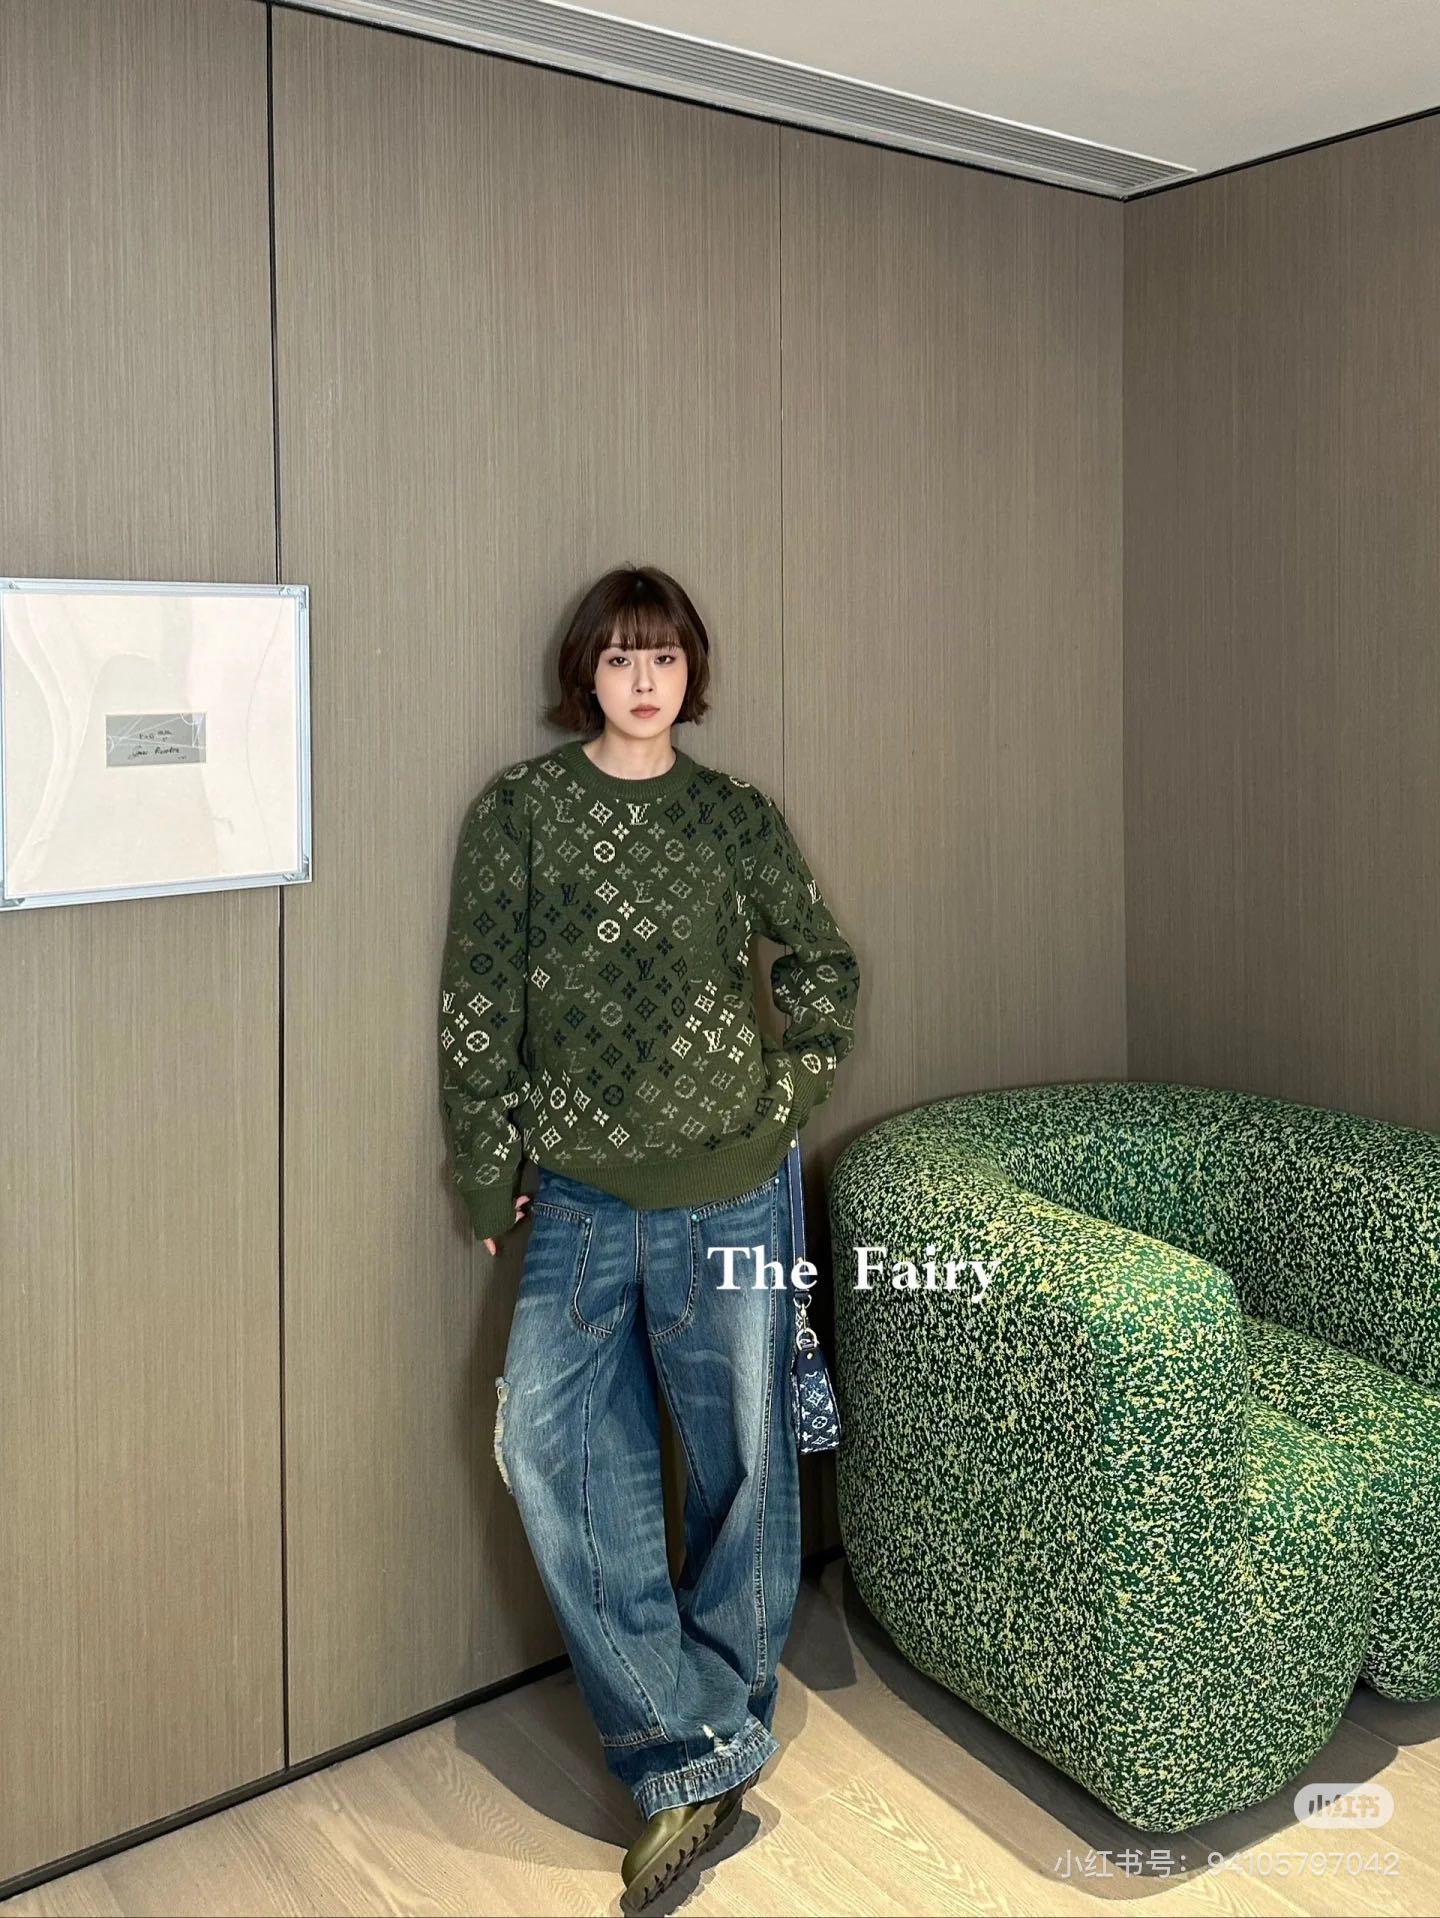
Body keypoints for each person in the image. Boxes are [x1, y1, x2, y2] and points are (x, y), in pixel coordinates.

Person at [437, 563, 860, 1907]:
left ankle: (703, 1754)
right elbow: (476, 1002)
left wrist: (781, 1099)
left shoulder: (735, 817)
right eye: (619, 657)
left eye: (663, 656)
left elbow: (823, 964)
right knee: (548, 1444)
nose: (642, 679)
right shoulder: (520, 812)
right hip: (576, 1193)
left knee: (742, 1460)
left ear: (691, 673)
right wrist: (484, 1165)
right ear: (586, 672)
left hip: (731, 1187)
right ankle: (694, 1740)